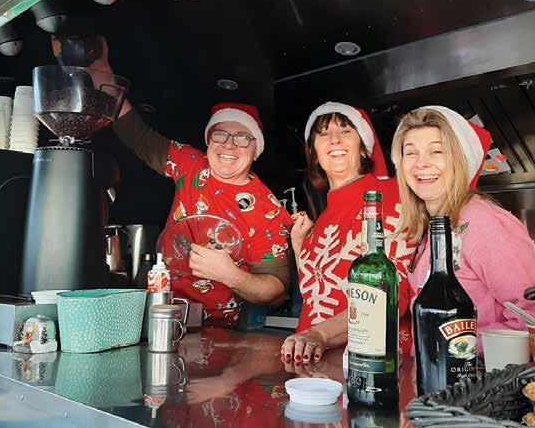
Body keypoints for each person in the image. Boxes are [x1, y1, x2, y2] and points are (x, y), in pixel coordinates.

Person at [112, 97, 292, 327]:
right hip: (156, 310)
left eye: (243, 138)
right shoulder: (191, 164)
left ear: (256, 149)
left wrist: (230, 275)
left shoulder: (268, 210)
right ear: (209, 141)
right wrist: (107, 83)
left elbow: (276, 290)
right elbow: (138, 135)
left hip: (214, 329)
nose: (229, 145)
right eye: (220, 134)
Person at [390, 105, 535, 334]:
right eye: (411, 153)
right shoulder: (432, 226)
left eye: (437, 151)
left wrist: (469, 350)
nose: (421, 163)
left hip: (480, 359)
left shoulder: (483, 223)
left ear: (461, 160)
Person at [281, 102, 416, 363]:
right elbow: (317, 294)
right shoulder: (322, 218)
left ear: (364, 148)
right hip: (310, 365)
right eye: (323, 134)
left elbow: (390, 294)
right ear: (314, 154)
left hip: (368, 364)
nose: (334, 139)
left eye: (345, 131)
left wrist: (319, 335)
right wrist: (299, 246)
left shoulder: (390, 195)